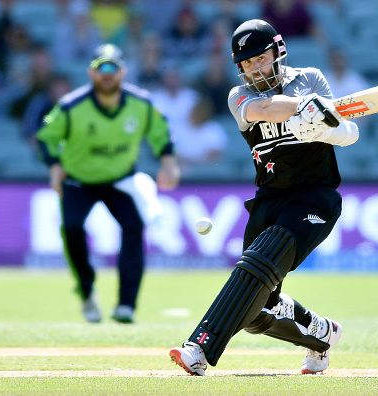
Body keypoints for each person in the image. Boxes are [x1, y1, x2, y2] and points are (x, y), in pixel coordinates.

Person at [169, 19, 358, 376]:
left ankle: (199, 348)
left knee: (258, 261)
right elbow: (264, 111)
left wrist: (324, 126)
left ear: (277, 51)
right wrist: (302, 108)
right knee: (255, 311)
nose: (256, 67)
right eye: (247, 63)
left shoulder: (312, 78)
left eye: (261, 57)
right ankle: (321, 334)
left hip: (315, 198)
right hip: (269, 198)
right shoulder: (239, 96)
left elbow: (349, 132)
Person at [36, 44, 180, 324]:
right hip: (78, 180)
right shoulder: (71, 106)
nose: (107, 75)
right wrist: (54, 166)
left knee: (134, 227)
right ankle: (87, 290)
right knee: (72, 228)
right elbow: (45, 137)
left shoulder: (142, 104)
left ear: (123, 72)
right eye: (101, 69)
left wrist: (168, 163)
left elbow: (161, 134)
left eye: (112, 68)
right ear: (91, 73)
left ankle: (126, 304)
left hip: (120, 180)